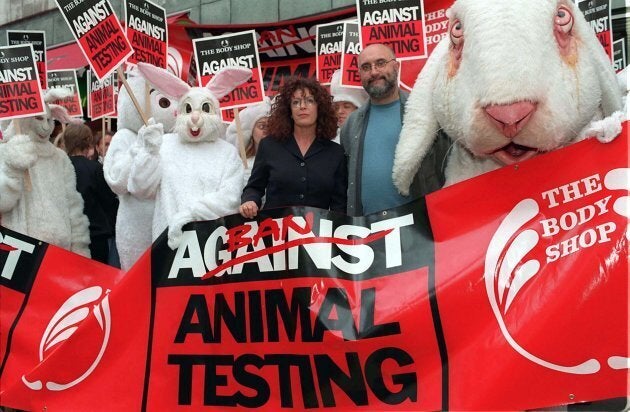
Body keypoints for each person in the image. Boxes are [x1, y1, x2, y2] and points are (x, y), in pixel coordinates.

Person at [340, 43, 451, 216]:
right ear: (360, 74)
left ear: (396, 66)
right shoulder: (352, 124)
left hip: (418, 231)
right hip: (367, 232)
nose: (374, 72)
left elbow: (446, 168)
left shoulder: (425, 113)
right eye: (366, 67)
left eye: (381, 63)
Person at [240, 77, 347, 218]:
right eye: (295, 102)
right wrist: (250, 201)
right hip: (275, 233)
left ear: (319, 107)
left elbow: (339, 204)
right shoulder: (269, 146)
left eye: (309, 100)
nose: (302, 106)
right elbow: (254, 187)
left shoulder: (336, 152)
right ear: (289, 110)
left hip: (317, 236)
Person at [64, 123, 118, 264]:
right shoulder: (95, 169)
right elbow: (109, 203)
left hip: (67, 236)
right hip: (95, 237)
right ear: (89, 142)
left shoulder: (57, 167)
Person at [225, 97, 272, 185]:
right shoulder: (238, 164)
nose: (267, 131)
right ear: (251, 131)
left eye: (271, 126)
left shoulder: (281, 160)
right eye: (262, 126)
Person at [329, 69, 368, 143]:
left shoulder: (367, 138)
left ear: (359, 108)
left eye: (346, 106)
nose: (339, 111)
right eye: (336, 107)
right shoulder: (333, 140)